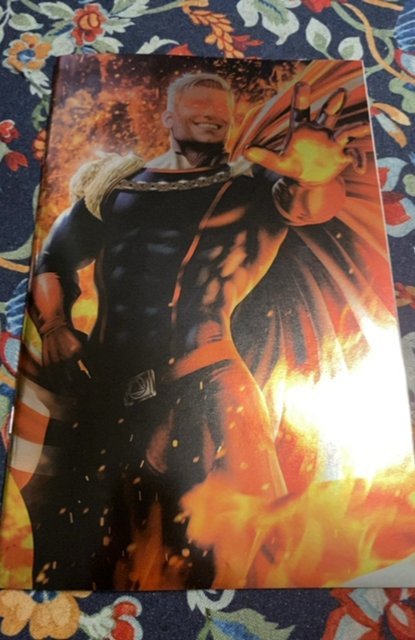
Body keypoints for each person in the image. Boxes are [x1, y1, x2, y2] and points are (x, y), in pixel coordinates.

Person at [24, 71, 369, 589]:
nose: (211, 117)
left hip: (207, 385)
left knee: (226, 554)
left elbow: (303, 204)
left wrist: (316, 179)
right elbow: (51, 260)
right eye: (197, 108)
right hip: (109, 393)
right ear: (168, 117)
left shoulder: (254, 187)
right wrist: (54, 326)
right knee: (86, 556)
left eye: (219, 112)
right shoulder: (115, 190)